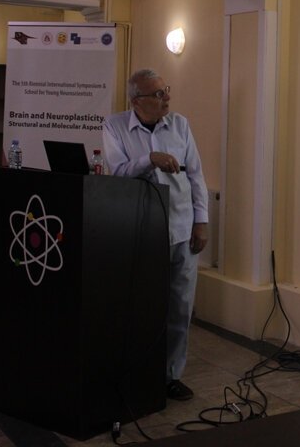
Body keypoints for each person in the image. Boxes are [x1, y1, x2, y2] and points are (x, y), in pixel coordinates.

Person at [102, 68, 209, 401]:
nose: (167, 98)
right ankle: (138, 371)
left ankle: (170, 375)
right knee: (142, 305)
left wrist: (202, 221)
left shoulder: (180, 125)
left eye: (166, 90)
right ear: (136, 101)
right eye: (158, 94)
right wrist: (149, 159)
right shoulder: (114, 126)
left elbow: (196, 175)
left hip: (182, 226)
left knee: (180, 306)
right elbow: (118, 171)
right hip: (142, 229)